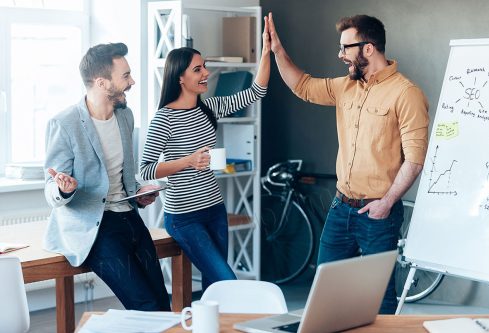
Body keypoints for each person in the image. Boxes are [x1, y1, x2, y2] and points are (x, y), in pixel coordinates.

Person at [266, 13, 429, 313]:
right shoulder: (345, 87)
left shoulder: (407, 94)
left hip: (378, 214)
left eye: (345, 48)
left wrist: (387, 202)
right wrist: (277, 51)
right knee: (325, 295)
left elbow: (416, 160)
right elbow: (302, 85)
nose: (340, 55)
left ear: (368, 48)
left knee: (379, 300)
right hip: (340, 209)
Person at [140, 19, 270, 291]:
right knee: (227, 281)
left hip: (214, 209)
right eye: (198, 69)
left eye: (205, 67)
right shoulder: (164, 118)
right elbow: (146, 170)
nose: (206, 74)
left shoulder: (210, 107)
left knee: (216, 286)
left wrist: (267, 51)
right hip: (184, 217)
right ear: (180, 77)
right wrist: (188, 161)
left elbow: (257, 91)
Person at [44, 42, 171, 311]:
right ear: (101, 82)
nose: (132, 81)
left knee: (161, 301)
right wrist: (64, 189)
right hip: (96, 227)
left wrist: (140, 192)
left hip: (129, 216)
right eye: (125, 76)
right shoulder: (64, 123)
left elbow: (123, 176)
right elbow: (51, 188)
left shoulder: (125, 117)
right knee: (146, 304)